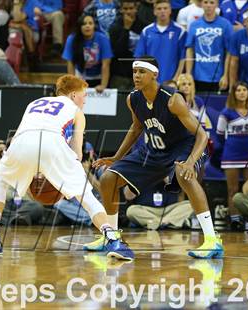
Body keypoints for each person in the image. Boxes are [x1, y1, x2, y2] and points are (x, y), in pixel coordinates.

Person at [0, 74, 134, 261]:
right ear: (72, 95)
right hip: (52, 143)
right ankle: (112, 239)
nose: (85, 99)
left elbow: (22, 134)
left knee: (1, 180)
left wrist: (37, 168)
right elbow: (77, 153)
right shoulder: (76, 111)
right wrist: (62, 174)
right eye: (83, 94)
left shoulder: (34, 103)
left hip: (20, 143)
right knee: (85, 194)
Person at [90, 57, 223, 259]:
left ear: (155, 74)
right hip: (154, 150)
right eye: (135, 72)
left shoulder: (172, 99)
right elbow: (136, 128)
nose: (136, 76)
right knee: (109, 178)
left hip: (183, 147)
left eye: (142, 71)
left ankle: (212, 240)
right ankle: (111, 237)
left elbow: (202, 135)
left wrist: (189, 161)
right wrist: (116, 157)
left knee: (183, 174)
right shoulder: (133, 98)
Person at [216, 81, 248, 230]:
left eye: (244, 89)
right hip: (231, 153)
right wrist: (231, 144)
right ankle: (234, 220)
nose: (241, 92)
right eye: (238, 90)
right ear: (233, 93)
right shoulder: (226, 112)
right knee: (232, 190)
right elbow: (220, 134)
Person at [0, 139, 46, 226]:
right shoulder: (1, 163)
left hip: (24, 204)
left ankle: (0, 219)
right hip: (3, 203)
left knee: (37, 207)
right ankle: (15, 219)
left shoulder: (30, 164)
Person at [185, 0, 233, 92]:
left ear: (217, 4)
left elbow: (229, 52)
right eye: (206, 2)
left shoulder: (225, 24)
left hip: (218, 77)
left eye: (212, 2)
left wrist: (226, 75)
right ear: (201, 4)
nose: (208, 5)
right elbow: (190, 49)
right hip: (198, 76)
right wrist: (188, 74)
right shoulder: (194, 25)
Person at [134, 0, 186, 84]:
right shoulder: (146, 31)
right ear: (154, 11)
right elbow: (139, 58)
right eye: (159, 8)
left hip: (171, 82)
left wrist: (175, 79)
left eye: (165, 8)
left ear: (170, 10)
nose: (162, 11)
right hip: (150, 82)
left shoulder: (180, 31)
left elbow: (182, 59)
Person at [62, 14, 113, 92]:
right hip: (80, 75)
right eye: (84, 24)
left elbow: (106, 64)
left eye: (90, 23)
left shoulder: (103, 38)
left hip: (99, 76)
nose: (87, 26)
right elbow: (70, 63)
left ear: (94, 26)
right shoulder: (72, 39)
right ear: (79, 27)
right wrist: (73, 84)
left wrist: (103, 85)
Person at [125, 181, 194, 230]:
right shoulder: (139, 169)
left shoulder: (170, 166)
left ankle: (158, 223)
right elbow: (128, 196)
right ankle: (168, 223)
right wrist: (139, 177)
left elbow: (178, 188)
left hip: (170, 210)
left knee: (191, 204)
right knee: (131, 210)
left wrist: (164, 173)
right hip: (146, 211)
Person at [108, 0, 144, 90]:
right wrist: (126, 29)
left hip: (139, 74)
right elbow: (117, 52)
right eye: (125, 9)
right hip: (119, 75)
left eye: (131, 8)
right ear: (121, 10)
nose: (128, 11)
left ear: (136, 9)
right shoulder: (114, 27)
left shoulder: (143, 27)